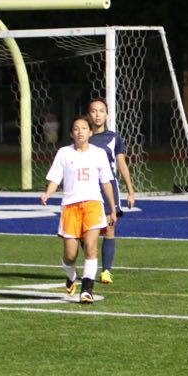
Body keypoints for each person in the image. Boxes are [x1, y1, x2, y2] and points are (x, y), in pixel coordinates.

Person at [41, 116, 117, 304]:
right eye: (76, 129)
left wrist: (113, 208)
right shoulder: (64, 153)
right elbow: (55, 179)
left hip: (93, 205)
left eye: (84, 128)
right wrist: (47, 194)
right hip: (70, 207)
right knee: (70, 255)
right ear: (71, 133)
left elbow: (106, 182)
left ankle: (87, 290)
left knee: (91, 248)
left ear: (90, 132)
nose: (80, 131)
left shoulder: (99, 154)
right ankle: (71, 275)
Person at [87, 98, 136, 285]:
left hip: (108, 190)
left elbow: (121, 164)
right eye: (94, 111)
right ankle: (90, 264)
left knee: (109, 229)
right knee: (86, 232)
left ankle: (106, 271)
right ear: (89, 114)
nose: (98, 115)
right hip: (88, 190)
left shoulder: (114, 138)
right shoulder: (83, 136)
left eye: (101, 111)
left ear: (107, 114)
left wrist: (130, 191)